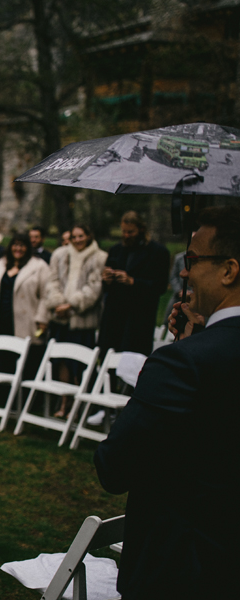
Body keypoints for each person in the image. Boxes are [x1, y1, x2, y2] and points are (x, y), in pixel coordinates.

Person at [94, 205, 240, 600]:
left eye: (192, 260)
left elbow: (114, 466)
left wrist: (178, 355)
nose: (184, 272)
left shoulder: (183, 364)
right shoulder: (195, 354)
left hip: (184, 570)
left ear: (229, 270)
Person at [44, 224, 107, 417]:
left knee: (80, 363)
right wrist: (58, 303)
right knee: (62, 361)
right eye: (74, 236)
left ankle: (81, 406)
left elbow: (94, 287)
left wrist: (71, 305)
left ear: (89, 236)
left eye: (81, 236)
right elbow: (52, 281)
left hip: (82, 319)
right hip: (61, 318)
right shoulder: (60, 255)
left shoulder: (99, 258)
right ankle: (64, 403)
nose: (77, 240)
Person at [0, 233, 50, 380]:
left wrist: (42, 318)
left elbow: (46, 295)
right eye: (15, 245)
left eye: (22, 245)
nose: (18, 249)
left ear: (28, 248)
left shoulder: (39, 266)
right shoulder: (0, 264)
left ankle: (22, 397)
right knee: (0, 355)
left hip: (25, 320)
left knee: (24, 358)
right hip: (0, 319)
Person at [97, 211, 170, 356]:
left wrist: (133, 282)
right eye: (123, 232)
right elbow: (105, 287)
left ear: (141, 229)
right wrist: (107, 278)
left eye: (131, 232)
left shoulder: (157, 252)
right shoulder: (116, 250)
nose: (126, 236)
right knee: (108, 358)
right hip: (114, 317)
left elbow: (160, 286)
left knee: (132, 359)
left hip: (139, 318)